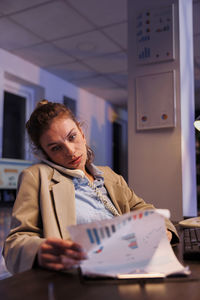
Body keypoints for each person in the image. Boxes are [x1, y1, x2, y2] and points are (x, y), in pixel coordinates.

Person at [3, 100, 179, 274]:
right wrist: (39, 250)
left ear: (81, 132)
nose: (70, 151)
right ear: (45, 154)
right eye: (56, 148)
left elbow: (144, 209)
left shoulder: (108, 175)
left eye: (72, 137)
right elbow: (13, 245)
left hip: (135, 266)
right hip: (80, 280)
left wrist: (164, 229)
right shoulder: (36, 177)